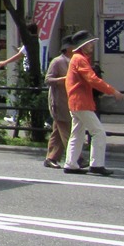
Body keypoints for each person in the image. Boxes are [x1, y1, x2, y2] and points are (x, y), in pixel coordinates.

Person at [63, 33, 124, 176]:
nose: (92, 45)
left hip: (76, 101)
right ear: (83, 46)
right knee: (99, 133)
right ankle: (96, 165)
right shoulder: (80, 59)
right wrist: (112, 91)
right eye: (89, 43)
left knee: (77, 134)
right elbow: (92, 79)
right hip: (82, 102)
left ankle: (71, 164)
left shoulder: (75, 59)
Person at [43, 33, 79, 168]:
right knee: (66, 130)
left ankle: (51, 158)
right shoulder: (58, 61)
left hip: (70, 100)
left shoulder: (74, 61)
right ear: (68, 47)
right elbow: (48, 79)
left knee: (58, 132)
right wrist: (63, 80)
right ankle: (77, 157)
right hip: (58, 101)